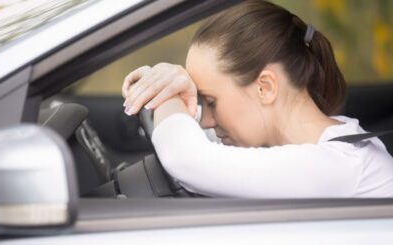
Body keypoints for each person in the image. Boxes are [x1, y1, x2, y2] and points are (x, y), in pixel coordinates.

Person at [121, 0, 393, 198]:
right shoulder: (328, 143)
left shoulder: (341, 165)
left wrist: (164, 92)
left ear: (265, 87)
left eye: (211, 101)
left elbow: (188, 161)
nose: (204, 121)